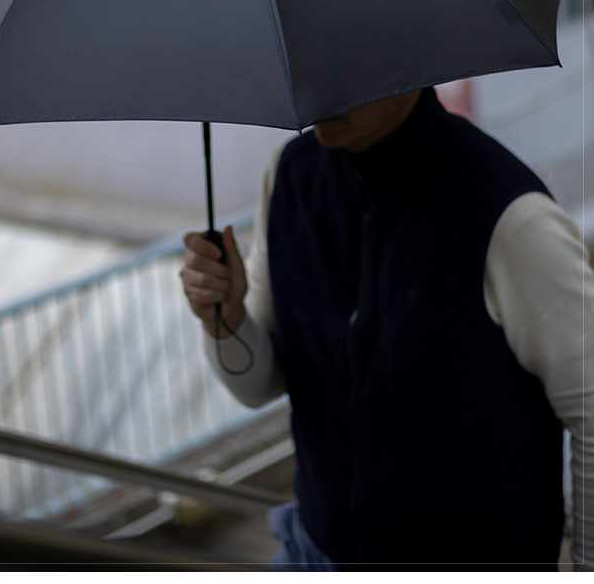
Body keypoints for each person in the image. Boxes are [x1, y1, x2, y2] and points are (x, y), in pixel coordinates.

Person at [180, 87, 594, 571]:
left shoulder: (507, 215)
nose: (318, 92)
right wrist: (225, 317)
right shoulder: (291, 176)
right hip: (316, 549)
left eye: (339, 63)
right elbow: (259, 385)